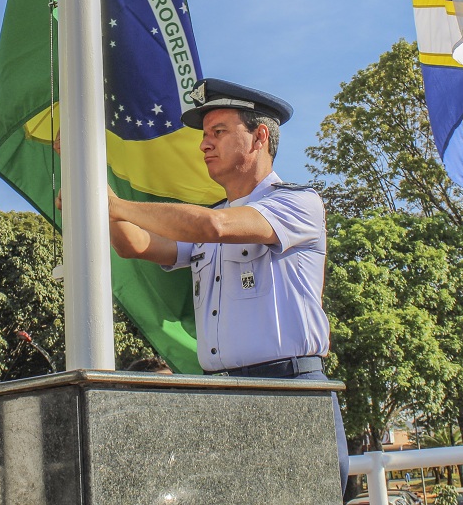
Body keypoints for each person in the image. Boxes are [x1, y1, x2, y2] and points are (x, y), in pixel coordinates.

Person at [108, 78, 347, 480]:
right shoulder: (211, 218)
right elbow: (135, 245)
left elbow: (214, 227)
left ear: (259, 138)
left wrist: (116, 204)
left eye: (218, 132)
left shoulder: (296, 203)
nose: (204, 145)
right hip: (220, 397)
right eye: (205, 135)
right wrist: (98, 190)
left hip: (287, 393)